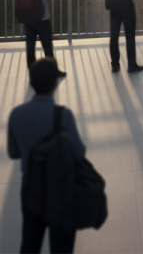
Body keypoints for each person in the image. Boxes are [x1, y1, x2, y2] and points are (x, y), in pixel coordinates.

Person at [7, 57, 86, 253]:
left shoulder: (16, 114)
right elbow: (79, 152)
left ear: (31, 82)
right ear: (54, 84)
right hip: (61, 192)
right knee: (62, 248)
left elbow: (13, 152)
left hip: (31, 190)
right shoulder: (63, 116)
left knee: (30, 244)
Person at [19, 0, 66, 78]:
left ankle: (32, 72)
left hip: (28, 20)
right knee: (47, 46)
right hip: (42, 19)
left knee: (30, 47)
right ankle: (53, 71)